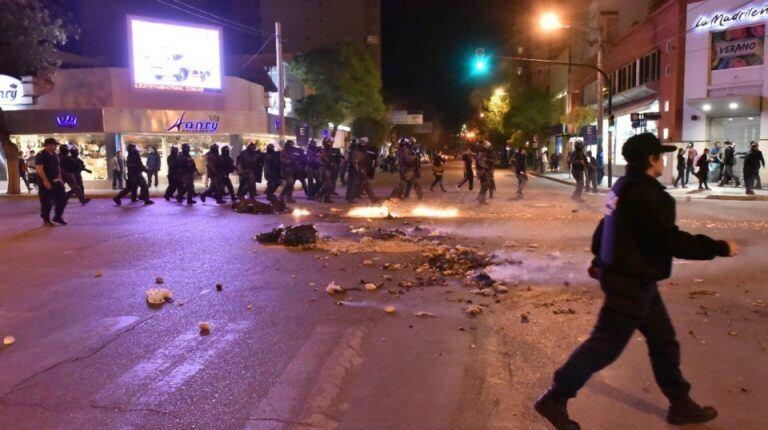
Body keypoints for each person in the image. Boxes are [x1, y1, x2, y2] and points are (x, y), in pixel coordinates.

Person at [535, 133, 740, 430]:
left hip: (635, 278)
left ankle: (680, 404)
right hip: (630, 282)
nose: (664, 160)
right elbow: (670, 240)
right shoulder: (648, 195)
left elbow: (606, 226)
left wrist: (598, 258)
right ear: (651, 160)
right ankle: (555, 398)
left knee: (663, 341)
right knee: (604, 346)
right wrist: (719, 247)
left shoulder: (623, 186)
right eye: (660, 155)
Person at [35, 138, 68, 226]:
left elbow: (57, 168)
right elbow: (39, 170)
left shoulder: (54, 154)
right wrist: (45, 181)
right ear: (48, 145)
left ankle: (57, 216)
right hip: (45, 182)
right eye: (54, 145)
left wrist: (60, 178)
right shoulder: (41, 155)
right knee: (46, 201)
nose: (56, 146)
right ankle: (46, 220)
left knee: (63, 198)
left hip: (56, 181)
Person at [350, 137, 379, 203]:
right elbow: (355, 162)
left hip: (362, 170)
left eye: (365, 143)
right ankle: (351, 199)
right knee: (355, 184)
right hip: (357, 171)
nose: (364, 144)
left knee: (365, 184)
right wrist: (359, 170)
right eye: (362, 142)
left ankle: (373, 198)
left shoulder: (364, 151)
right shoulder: (358, 151)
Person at [317, 138, 340, 203]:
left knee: (331, 186)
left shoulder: (333, 151)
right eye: (328, 142)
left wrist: (336, 164)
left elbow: (337, 160)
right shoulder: (322, 151)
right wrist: (328, 163)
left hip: (332, 170)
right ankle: (319, 194)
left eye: (330, 142)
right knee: (328, 184)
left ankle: (327, 198)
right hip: (324, 169)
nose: (329, 143)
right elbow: (321, 161)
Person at [475, 140, 493, 205]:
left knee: (485, 185)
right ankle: (481, 199)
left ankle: (481, 199)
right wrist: (487, 166)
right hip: (481, 171)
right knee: (485, 185)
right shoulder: (481, 152)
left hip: (482, 170)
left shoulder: (482, 152)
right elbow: (480, 163)